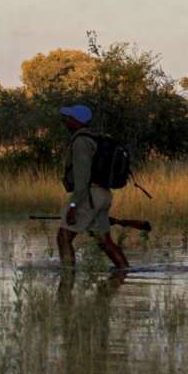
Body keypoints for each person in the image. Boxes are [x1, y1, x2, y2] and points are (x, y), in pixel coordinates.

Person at [56, 104, 129, 269]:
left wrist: (73, 206)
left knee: (64, 237)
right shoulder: (95, 138)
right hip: (103, 194)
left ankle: (67, 276)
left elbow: (82, 180)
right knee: (104, 241)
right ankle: (124, 271)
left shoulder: (81, 141)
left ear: (77, 121)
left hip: (89, 196)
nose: (66, 121)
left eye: (69, 118)